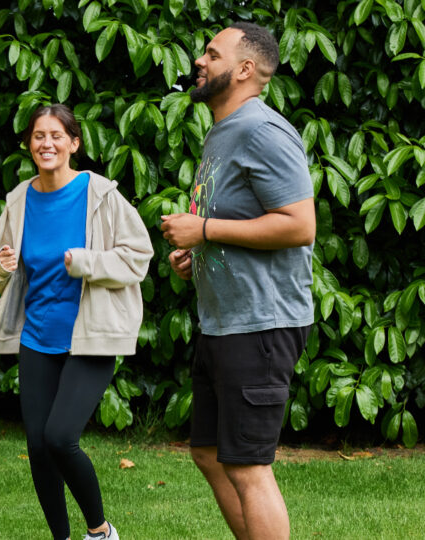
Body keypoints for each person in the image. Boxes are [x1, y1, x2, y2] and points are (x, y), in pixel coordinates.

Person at [160, 22, 315, 540]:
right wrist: (197, 252)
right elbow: (235, 225)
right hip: (223, 321)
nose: (199, 60)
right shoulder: (222, 131)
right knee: (208, 453)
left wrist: (203, 228)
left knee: (250, 466)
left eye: (212, 53)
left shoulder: (261, 130)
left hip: (261, 323)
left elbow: (299, 224)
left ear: (245, 69)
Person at [0, 104, 153, 540]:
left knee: (60, 437)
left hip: (90, 338)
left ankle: (100, 533)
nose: (47, 144)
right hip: (38, 337)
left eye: (57, 135)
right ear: (29, 145)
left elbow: (138, 257)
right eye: (39, 136)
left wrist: (85, 262)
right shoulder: (19, 200)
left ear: (74, 144)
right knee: (39, 448)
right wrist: (4, 265)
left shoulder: (100, 195)